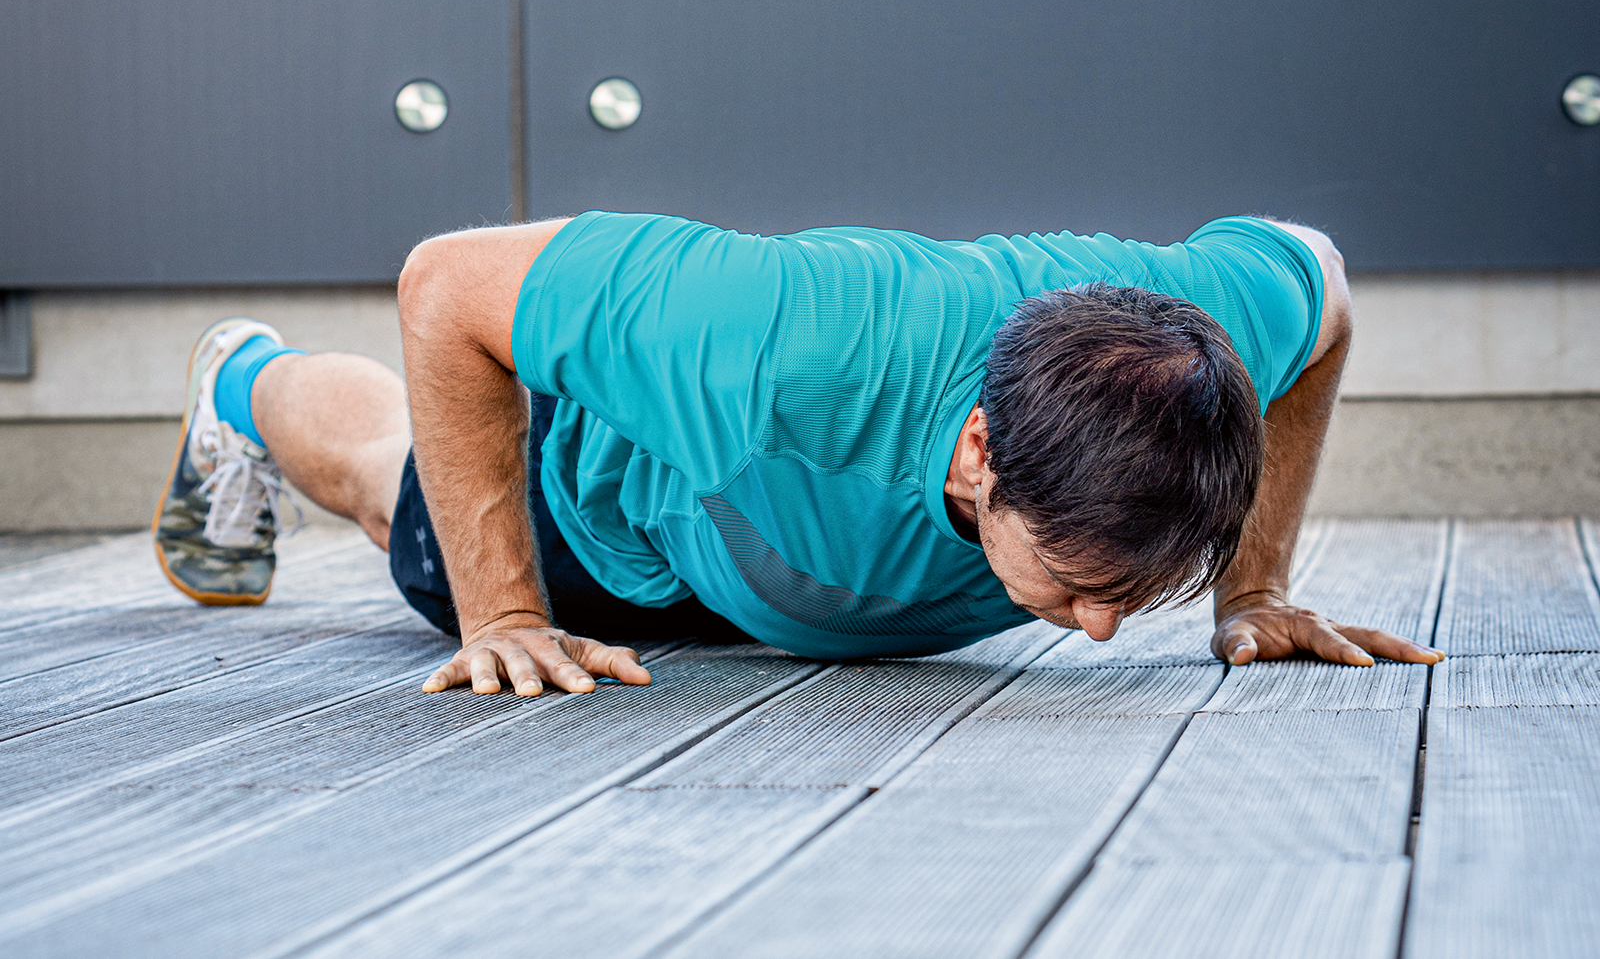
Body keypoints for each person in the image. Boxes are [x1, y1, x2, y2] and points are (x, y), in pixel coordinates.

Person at [152, 211, 1444, 697]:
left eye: (1134, 591)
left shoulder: (1209, 333)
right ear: (982, 449)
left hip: (777, 570)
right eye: (1080, 584)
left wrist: (1251, 587)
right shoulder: (791, 328)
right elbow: (447, 285)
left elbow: (1320, 273)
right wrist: (501, 611)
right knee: (396, 482)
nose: (1100, 632)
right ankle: (240, 380)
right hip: (609, 522)